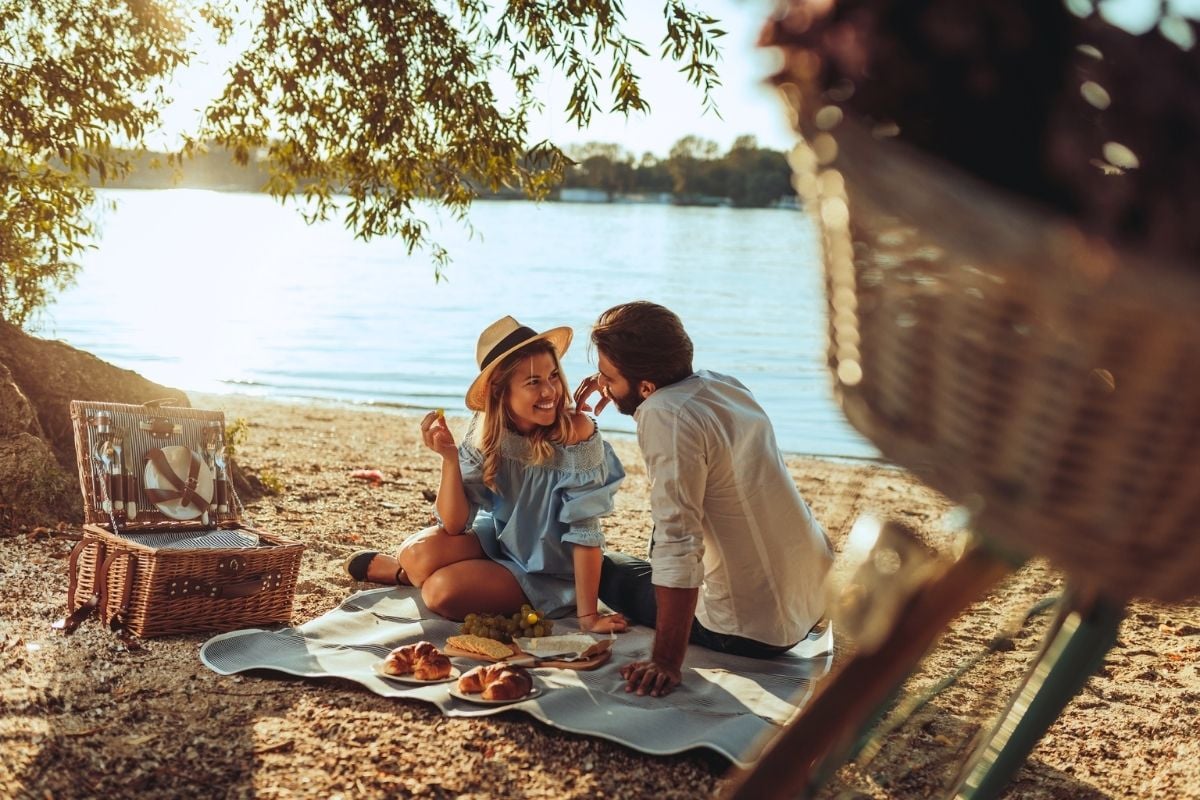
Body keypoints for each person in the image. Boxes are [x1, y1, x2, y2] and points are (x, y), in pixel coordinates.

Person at [573, 301, 833, 697]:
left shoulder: (665, 415)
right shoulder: (722, 385)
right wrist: (617, 379)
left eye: (608, 377)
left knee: (598, 569)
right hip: (812, 597)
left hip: (749, 631)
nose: (603, 386)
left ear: (646, 386)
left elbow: (680, 543)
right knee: (642, 557)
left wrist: (665, 660)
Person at [344, 316, 628, 634]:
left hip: (550, 571)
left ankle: (410, 576)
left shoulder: (577, 433)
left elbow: (585, 532)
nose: (550, 391)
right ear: (499, 391)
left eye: (553, 377)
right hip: (501, 540)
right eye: (533, 382)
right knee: (414, 554)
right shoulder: (487, 431)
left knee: (440, 592)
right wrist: (449, 459)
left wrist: (588, 617)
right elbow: (453, 524)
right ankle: (405, 572)